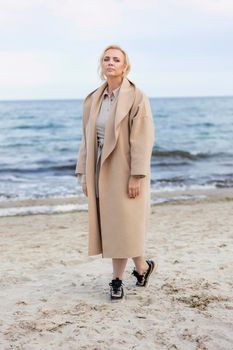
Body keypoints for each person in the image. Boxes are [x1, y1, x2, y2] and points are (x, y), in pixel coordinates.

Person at [75, 44, 156, 301]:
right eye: (106, 59)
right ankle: (142, 268)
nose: (111, 63)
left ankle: (117, 281)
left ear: (125, 66)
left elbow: (142, 139)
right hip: (100, 170)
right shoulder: (93, 99)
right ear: (102, 65)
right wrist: (84, 174)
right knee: (118, 225)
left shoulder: (137, 96)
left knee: (122, 225)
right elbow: (87, 140)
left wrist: (137, 175)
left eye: (116, 60)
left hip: (126, 169)